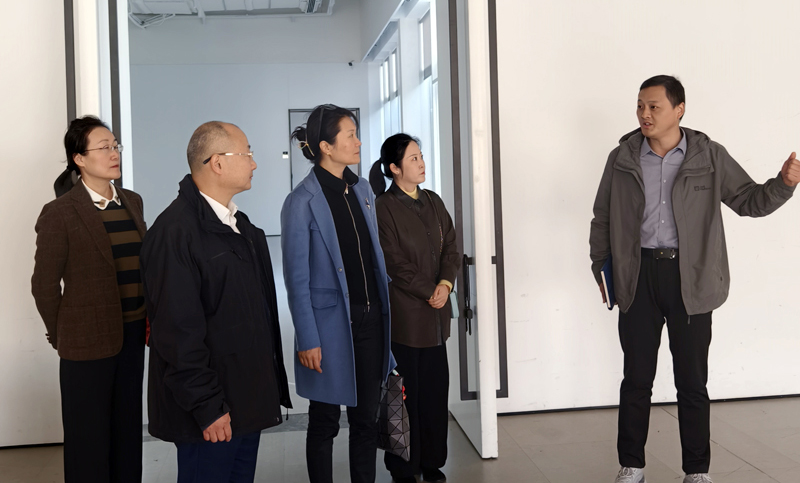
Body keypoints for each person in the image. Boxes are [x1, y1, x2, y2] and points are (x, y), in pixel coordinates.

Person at [589, 75, 800, 483]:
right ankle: (632, 465)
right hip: (637, 276)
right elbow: (603, 216)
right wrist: (602, 267)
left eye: (654, 106)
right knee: (636, 379)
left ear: (679, 110)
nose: (644, 114)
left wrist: (784, 185)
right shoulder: (622, 158)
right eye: (640, 106)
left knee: (691, 382)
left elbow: (749, 200)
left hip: (691, 278)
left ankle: (697, 471)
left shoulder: (709, 155)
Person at [140, 121, 291, 483]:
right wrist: (207, 406)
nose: (254, 163)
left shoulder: (241, 226)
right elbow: (177, 333)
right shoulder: (175, 233)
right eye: (247, 153)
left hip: (244, 401)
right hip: (210, 412)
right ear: (217, 163)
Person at [281, 104, 395, 483]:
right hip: (328, 327)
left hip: (371, 320)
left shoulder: (362, 189)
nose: (358, 142)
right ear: (326, 147)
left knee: (366, 420)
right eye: (350, 135)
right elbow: (296, 278)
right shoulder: (301, 201)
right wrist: (307, 338)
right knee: (325, 421)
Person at [31, 116, 147, 483]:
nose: (114, 154)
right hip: (84, 342)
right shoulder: (60, 213)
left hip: (132, 336)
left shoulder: (132, 202)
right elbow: (44, 285)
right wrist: (62, 334)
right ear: (79, 158)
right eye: (104, 147)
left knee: (127, 431)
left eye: (115, 146)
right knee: (88, 440)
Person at [369, 134, 460, 483]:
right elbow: (393, 262)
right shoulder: (383, 207)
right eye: (413, 159)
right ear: (394, 168)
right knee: (404, 399)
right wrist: (429, 289)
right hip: (406, 320)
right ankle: (404, 467)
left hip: (436, 318)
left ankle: (432, 462)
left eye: (421, 156)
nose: (421, 163)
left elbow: (451, 248)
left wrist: (445, 284)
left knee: (435, 397)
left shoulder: (433, 201)